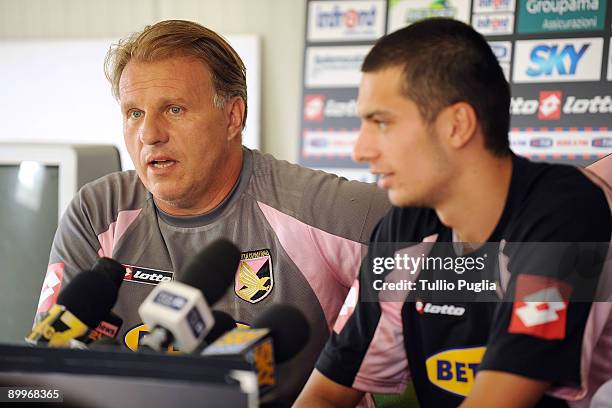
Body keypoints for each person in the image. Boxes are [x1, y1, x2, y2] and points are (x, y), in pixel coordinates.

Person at [33, 20, 389, 405]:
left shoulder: (314, 207)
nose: (150, 133)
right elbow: (49, 378)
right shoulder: (97, 213)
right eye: (134, 113)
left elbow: (453, 258)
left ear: (232, 117)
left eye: (174, 109)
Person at [295, 18, 612, 408]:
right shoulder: (404, 228)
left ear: (457, 125)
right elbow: (326, 395)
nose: (361, 150)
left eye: (381, 122)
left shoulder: (565, 210)